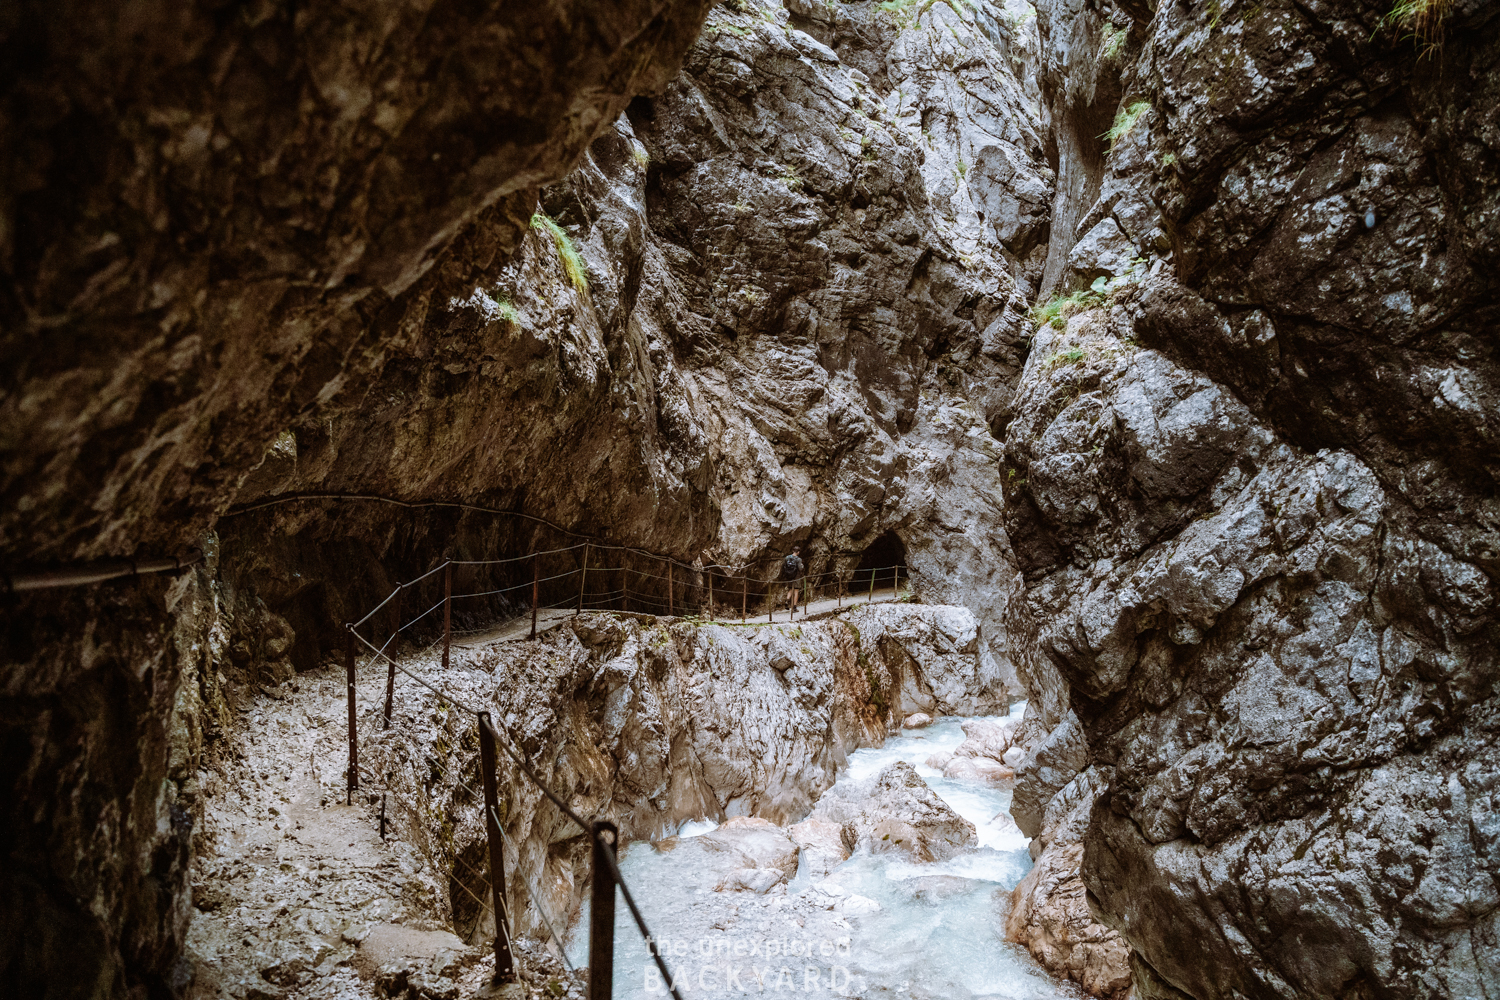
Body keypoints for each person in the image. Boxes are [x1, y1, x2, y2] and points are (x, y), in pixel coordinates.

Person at [780, 548, 804, 616]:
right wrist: (802, 566)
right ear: (798, 552)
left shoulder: (787, 557)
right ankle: (794, 607)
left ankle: (787, 601)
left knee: (790, 589)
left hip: (789, 576)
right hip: (796, 577)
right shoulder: (798, 559)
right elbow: (800, 568)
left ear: (793, 551)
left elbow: (783, 566)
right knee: (796, 591)